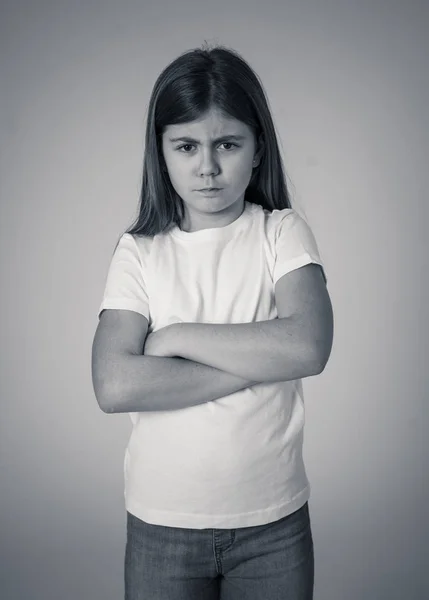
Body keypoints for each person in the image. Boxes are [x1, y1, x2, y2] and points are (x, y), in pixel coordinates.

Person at [91, 42, 334, 600]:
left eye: (227, 143)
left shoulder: (282, 233)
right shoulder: (140, 252)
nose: (207, 166)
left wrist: (174, 339)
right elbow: (114, 384)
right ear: (161, 152)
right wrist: (260, 360)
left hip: (274, 522)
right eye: (186, 145)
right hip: (163, 524)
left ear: (256, 150)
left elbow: (309, 346)